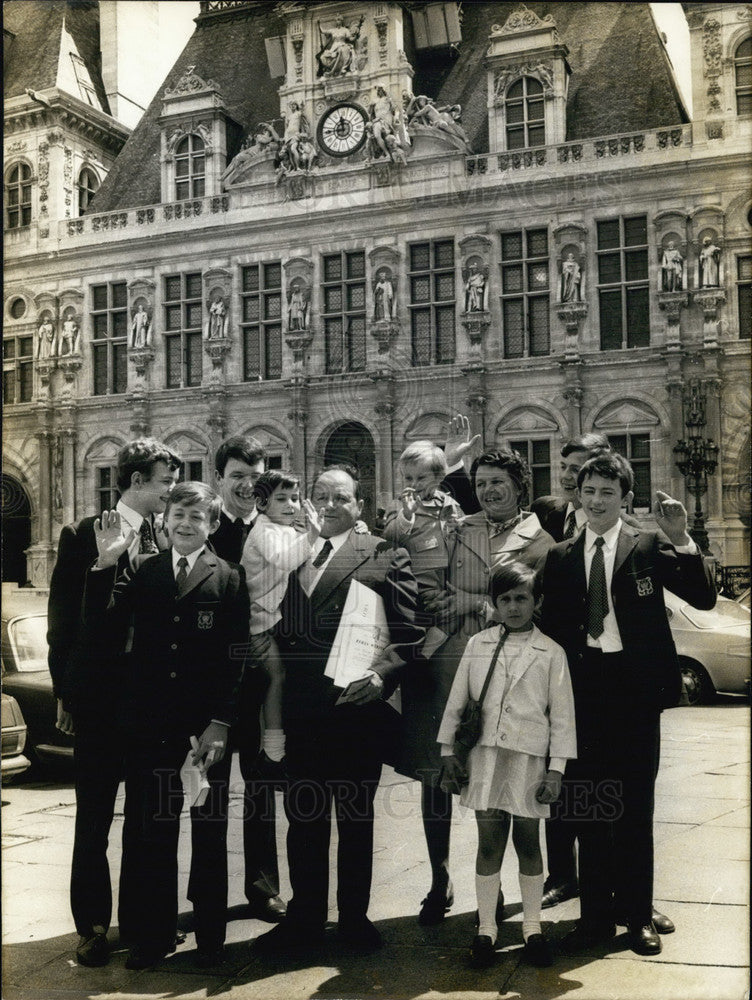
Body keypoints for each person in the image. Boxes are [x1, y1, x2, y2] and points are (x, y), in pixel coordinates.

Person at [541, 452, 716, 956]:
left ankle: (637, 916)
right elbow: (552, 630)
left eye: (607, 494)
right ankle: (594, 919)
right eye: (589, 492)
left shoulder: (646, 545)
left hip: (635, 694)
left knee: (634, 808)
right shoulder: (562, 556)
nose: (596, 502)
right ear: (579, 494)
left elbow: (703, 597)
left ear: (625, 500)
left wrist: (683, 538)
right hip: (585, 693)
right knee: (590, 809)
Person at [253, 465, 424, 955]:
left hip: (355, 713)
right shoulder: (287, 550)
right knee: (303, 820)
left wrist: (380, 676)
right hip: (300, 714)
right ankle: (304, 918)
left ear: (359, 505)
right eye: (320, 495)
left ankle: (353, 919)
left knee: (355, 820)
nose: (329, 504)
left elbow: (410, 636)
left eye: (341, 497)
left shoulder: (385, 554)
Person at [83, 483, 250, 969]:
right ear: (164, 519)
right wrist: (104, 564)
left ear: (212, 526)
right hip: (151, 729)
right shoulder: (143, 571)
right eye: (178, 514)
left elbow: (235, 658)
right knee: (151, 835)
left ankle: (212, 939)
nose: (185, 524)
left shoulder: (230, 578)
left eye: (197, 518)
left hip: (205, 733)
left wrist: (220, 722)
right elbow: (104, 629)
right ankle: (152, 937)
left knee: (209, 833)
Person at [397, 448, 555, 926]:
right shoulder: (454, 526)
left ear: (519, 484)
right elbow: (428, 591)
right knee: (436, 772)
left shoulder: (542, 541)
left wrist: (474, 604)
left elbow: (537, 608)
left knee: (500, 776)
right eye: (481, 482)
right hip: (448, 662)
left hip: (508, 671)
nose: (488, 490)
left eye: (497, 481)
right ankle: (438, 878)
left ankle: (496, 882)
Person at [47, 437, 180, 967]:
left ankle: (142, 924)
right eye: (165, 481)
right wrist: (65, 692)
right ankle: (94, 927)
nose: (170, 490)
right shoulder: (84, 534)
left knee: (146, 819)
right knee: (95, 817)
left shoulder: (167, 536)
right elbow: (61, 624)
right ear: (138, 482)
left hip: (148, 699)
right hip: (100, 699)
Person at [438, 562, 576, 969]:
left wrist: (557, 769)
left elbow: (563, 717)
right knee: (489, 842)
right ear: (493, 604)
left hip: (529, 759)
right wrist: (447, 751)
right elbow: (458, 700)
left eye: (522, 598)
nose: (513, 607)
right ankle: (486, 929)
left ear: (537, 602)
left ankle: (532, 928)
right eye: (505, 599)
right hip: (485, 757)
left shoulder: (551, 651)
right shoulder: (478, 644)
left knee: (529, 842)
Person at [210, 435, 287, 922]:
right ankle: (208, 896)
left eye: (255, 477)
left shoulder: (274, 529)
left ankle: (263, 889)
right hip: (213, 683)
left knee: (260, 791)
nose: (246, 485)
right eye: (238, 475)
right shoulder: (204, 527)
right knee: (210, 796)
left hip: (259, 679)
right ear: (220, 478)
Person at [240, 471, 321, 774]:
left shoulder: (279, 527)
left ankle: (272, 747)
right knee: (276, 676)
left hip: (269, 618)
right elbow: (286, 560)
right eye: (282, 499)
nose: (291, 505)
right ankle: (273, 752)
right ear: (261, 503)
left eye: (295, 498)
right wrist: (312, 535)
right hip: (255, 621)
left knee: (275, 680)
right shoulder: (264, 531)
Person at [382, 441, 463, 659]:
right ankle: (420, 657)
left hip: (449, 584)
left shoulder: (451, 505)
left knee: (455, 620)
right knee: (427, 629)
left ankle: (426, 655)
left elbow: (462, 544)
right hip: (417, 587)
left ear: (438, 478)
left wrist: (459, 528)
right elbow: (388, 540)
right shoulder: (398, 506)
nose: (414, 484)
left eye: (421, 478)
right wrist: (407, 516)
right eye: (408, 478)